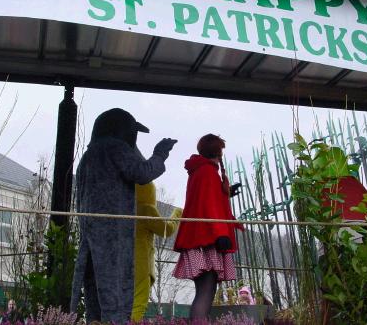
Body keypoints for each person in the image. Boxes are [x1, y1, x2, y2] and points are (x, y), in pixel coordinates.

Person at [70, 108, 177, 324]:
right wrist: (160, 154)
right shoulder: (114, 148)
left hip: (90, 234)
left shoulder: (88, 156)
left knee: (94, 294)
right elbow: (141, 173)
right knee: (115, 297)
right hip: (114, 235)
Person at [173, 134, 243, 320]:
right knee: (205, 292)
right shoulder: (208, 172)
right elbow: (210, 206)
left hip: (199, 239)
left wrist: (226, 194)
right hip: (206, 241)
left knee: (204, 291)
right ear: (218, 152)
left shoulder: (200, 171)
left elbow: (207, 202)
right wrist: (221, 234)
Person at [131, 179, 183, 321]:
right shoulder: (146, 209)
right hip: (141, 265)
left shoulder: (124, 207)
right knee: (138, 304)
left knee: (123, 303)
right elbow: (166, 230)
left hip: (122, 262)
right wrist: (177, 213)